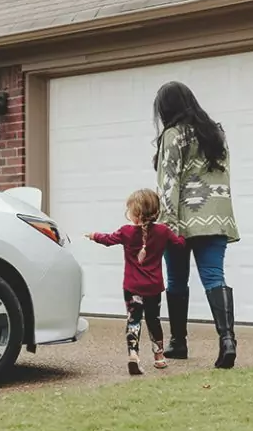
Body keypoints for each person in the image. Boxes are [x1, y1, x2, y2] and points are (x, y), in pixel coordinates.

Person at [152, 81, 240, 369]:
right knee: (214, 276)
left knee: (177, 280)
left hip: (182, 218)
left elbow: (169, 183)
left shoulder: (173, 135)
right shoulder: (216, 133)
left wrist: (168, 225)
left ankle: (178, 342)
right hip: (216, 216)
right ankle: (227, 340)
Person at [85, 188, 185, 375]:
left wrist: (94, 235)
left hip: (132, 288)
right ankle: (159, 358)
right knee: (154, 320)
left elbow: (107, 240)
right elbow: (179, 245)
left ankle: (133, 355)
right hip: (154, 288)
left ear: (136, 214)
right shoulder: (163, 231)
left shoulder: (126, 232)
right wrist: (184, 235)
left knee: (134, 320)